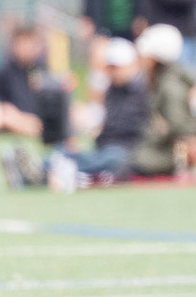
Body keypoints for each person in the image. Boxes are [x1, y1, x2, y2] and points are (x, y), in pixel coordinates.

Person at [47, 37, 150, 189]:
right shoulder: (111, 90)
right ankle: (50, 165)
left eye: (117, 67)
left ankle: (53, 169)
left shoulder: (143, 91)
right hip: (105, 147)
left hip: (128, 149)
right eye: (111, 67)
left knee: (114, 159)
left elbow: (130, 128)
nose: (113, 72)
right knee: (65, 149)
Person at [129, 24, 196, 177]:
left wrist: (159, 130)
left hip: (169, 152)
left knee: (131, 160)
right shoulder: (164, 81)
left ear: (154, 59)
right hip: (165, 148)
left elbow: (180, 127)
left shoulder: (170, 87)